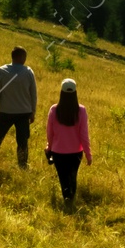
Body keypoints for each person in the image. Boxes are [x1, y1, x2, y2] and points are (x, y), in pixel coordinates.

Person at [0, 46, 38, 167]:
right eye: (25, 56)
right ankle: (22, 164)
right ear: (21, 57)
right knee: (22, 142)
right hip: (23, 113)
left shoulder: (2, 71)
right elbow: (33, 95)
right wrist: (33, 112)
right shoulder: (28, 72)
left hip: (6, 112)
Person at [44, 77, 91, 211]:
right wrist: (88, 154)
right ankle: (71, 198)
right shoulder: (81, 110)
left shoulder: (54, 109)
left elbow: (50, 132)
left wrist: (49, 147)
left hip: (58, 152)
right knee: (72, 175)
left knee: (63, 177)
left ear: (61, 92)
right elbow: (84, 135)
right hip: (76, 152)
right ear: (75, 92)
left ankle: (67, 199)